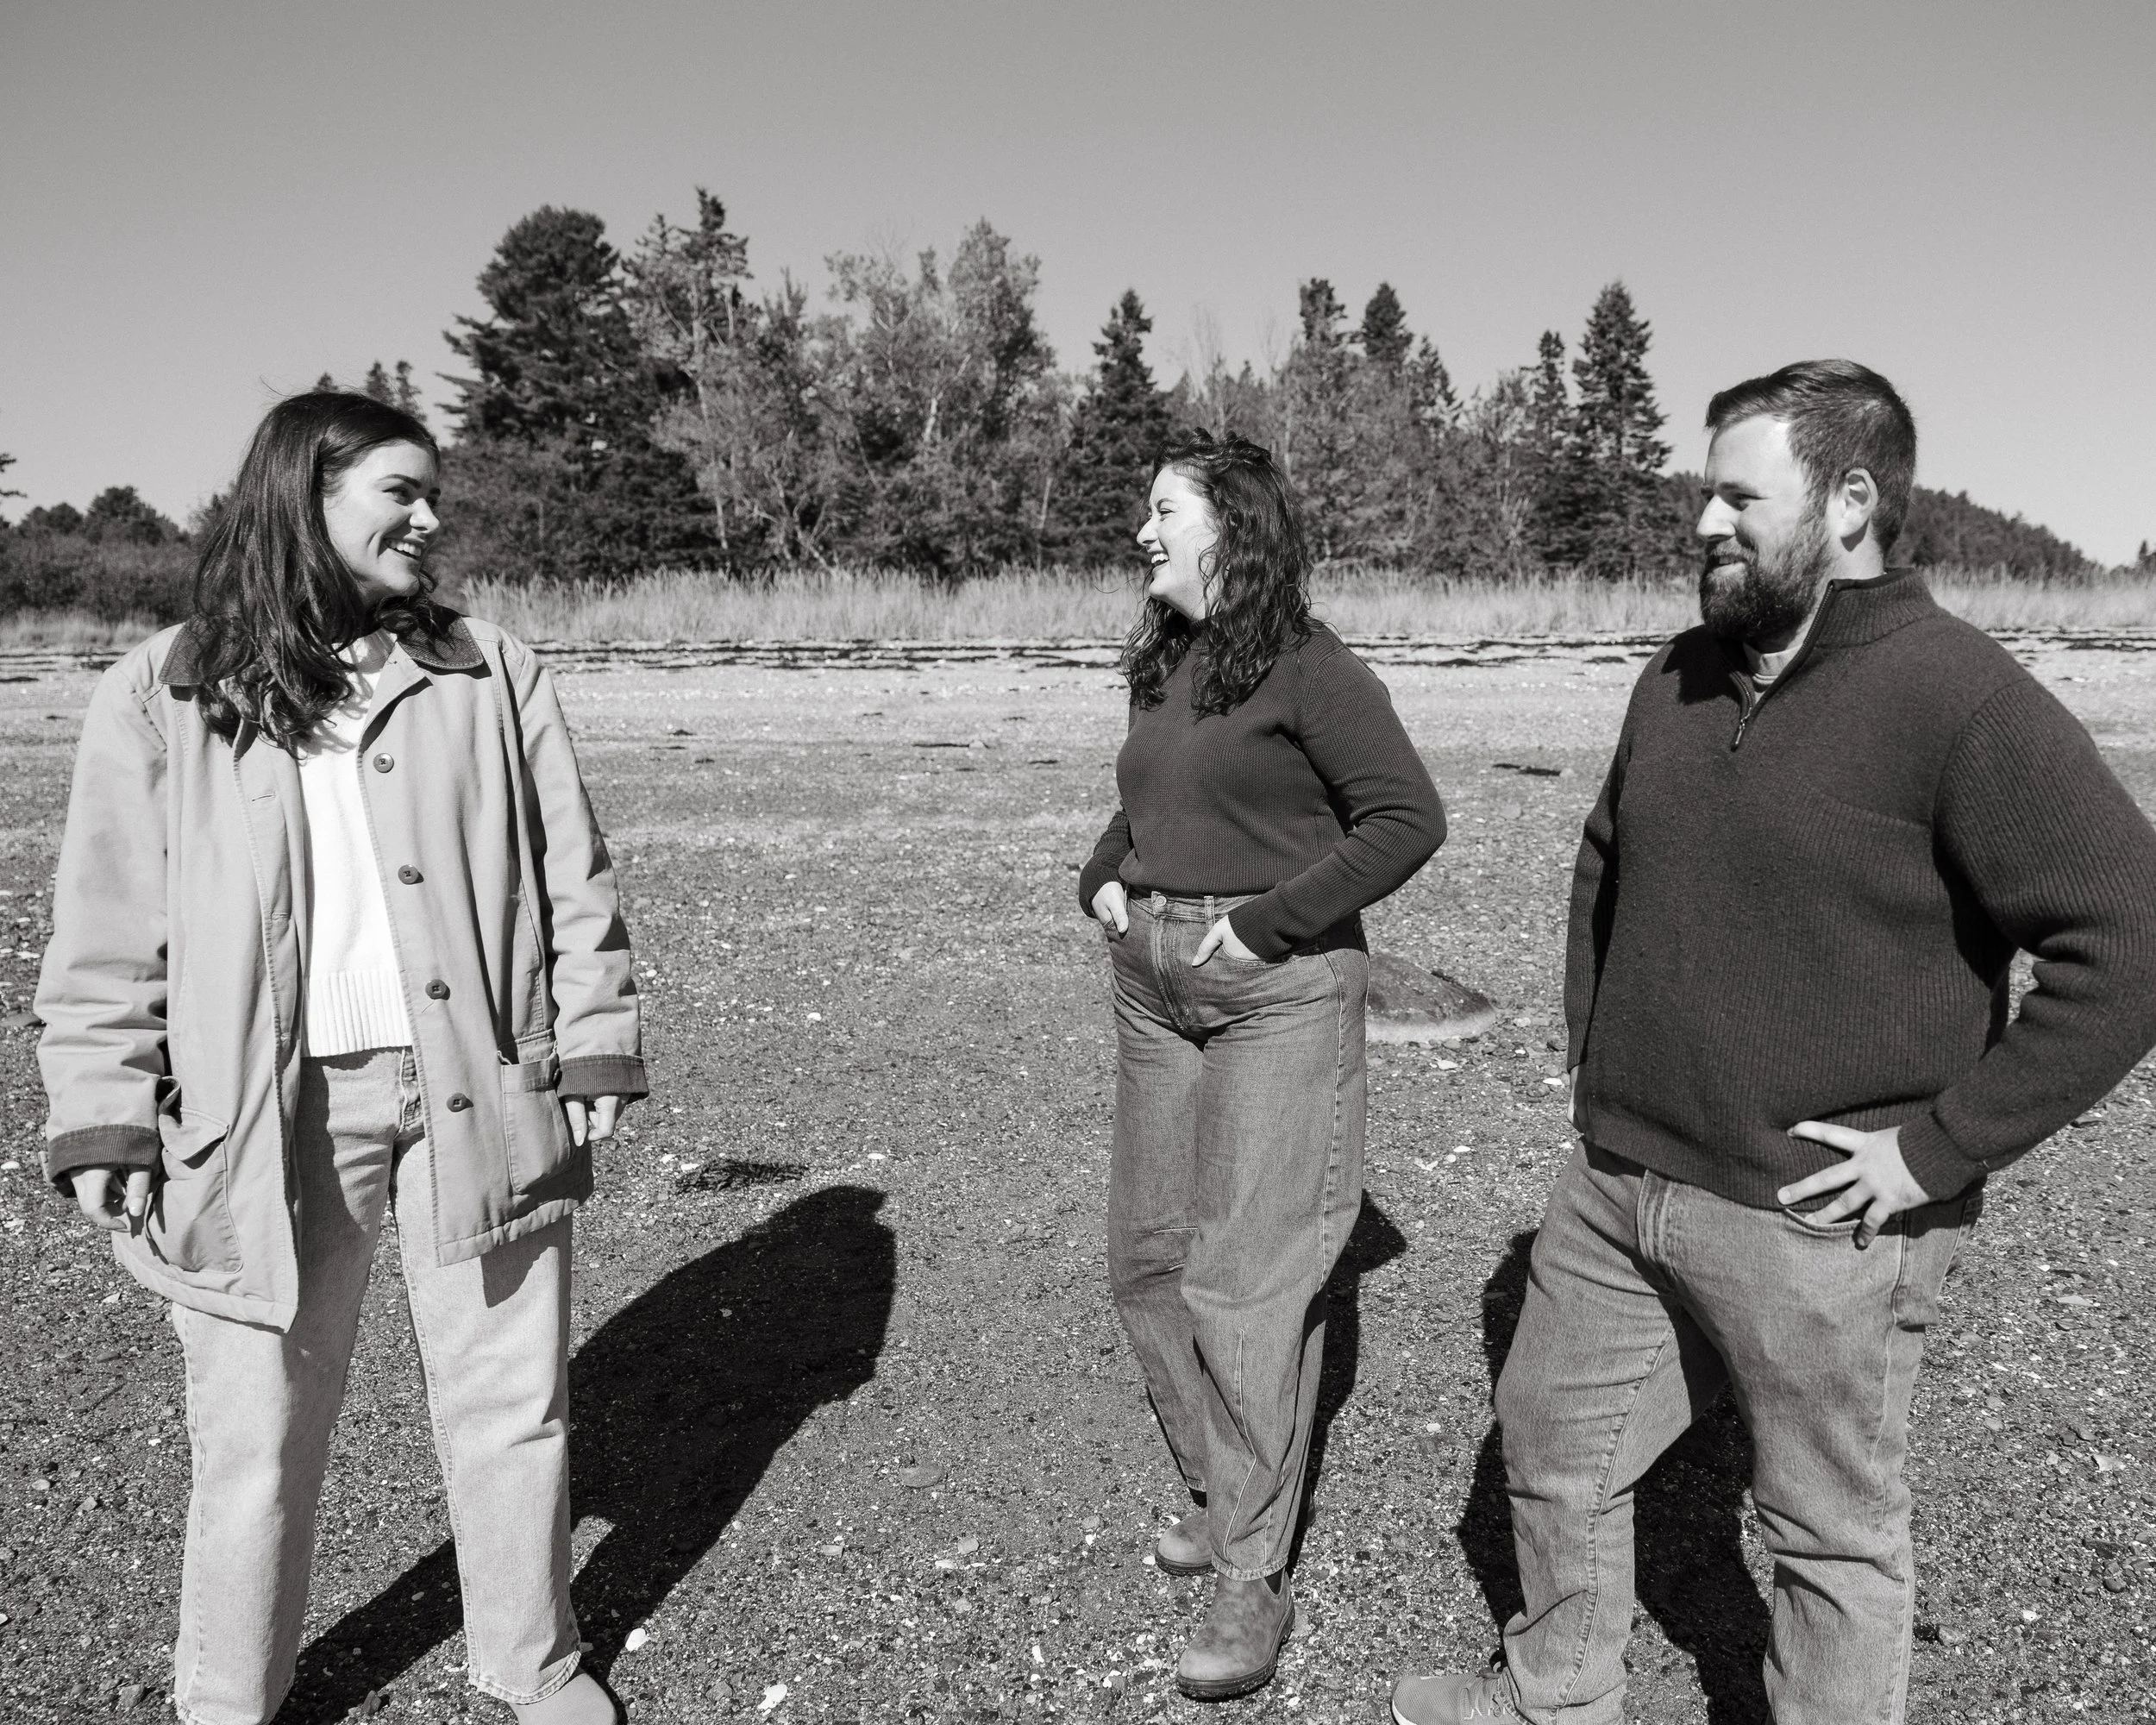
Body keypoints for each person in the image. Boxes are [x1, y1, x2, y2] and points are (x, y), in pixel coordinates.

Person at [1390, 360, 2156, 1724]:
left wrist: (1939, 1149)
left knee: (1825, 1539)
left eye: (1741, 494)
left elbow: (2133, 939)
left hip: (1821, 1229)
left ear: (1851, 499)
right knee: (1554, 1447)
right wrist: (1598, 1061)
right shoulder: (1678, 677)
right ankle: (1558, 1688)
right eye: (1703, 493)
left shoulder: (1960, 699)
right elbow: (1604, 865)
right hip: (1619, 1178)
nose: (1703, 521)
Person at [36, 391, 646, 1725]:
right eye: (399, 495)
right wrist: (103, 1115)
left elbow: (573, 874)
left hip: (473, 1091)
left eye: (435, 496)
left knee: (512, 1404)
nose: (431, 521)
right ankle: (225, 1700)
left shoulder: (490, 669)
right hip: (264, 1118)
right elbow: (105, 927)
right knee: (255, 1435)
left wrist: (594, 1043)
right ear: (306, 500)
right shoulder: (163, 690)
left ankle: (531, 1664)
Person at [1080, 432, 1446, 1701]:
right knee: (1145, 1257)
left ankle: (1251, 1564)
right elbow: (1152, 794)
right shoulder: (1168, 657)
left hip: (1273, 989)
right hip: (1151, 981)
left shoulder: (1313, 666)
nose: (1141, 531)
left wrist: (1265, 922)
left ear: (1230, 528)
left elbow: (1406, 819)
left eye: (1163, 510)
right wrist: (1105, 876)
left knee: (1245, 1281)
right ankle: (1216, 1483)